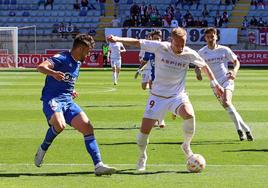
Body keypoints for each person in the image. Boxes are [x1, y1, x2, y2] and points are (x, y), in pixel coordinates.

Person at [107, 27, 224, 171]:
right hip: (157, 97)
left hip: (177, 96)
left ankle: (186, 145)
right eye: (177, 44)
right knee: (143, 135)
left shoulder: (189, 53)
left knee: (189, 115)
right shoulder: (160, 47)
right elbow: (137, 42)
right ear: (171, 41)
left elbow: (204, 66)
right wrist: (118, 39)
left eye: (183, 44)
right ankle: (142, 155)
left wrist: (215, 84)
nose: (180, 48)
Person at [34, 34, 116, 176]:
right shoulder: (62, 57)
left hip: (68, 101)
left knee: (87, 127)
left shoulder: (77, 62)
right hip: (53, 100)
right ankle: (42, 149)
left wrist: (72, 91)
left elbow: (67, 81)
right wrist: (53, 73)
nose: (89, 53)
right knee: (60, 125)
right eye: (88, 50)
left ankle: (98, 165)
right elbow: (40, 67)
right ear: (80, 48)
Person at [196, 27, 254, 141]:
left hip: (226, 80)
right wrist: (198, 73)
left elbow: (236, 62)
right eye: (208, 37)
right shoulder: (202, 52)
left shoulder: (224, 49)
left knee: (227, 102)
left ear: (216, 36)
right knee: (229, 107)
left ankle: (239, 130)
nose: (210, 38)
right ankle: (246, 129)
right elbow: (197, 66)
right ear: (205, 38)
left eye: (212, 36)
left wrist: (234, 72)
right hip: (214, 84)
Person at [134, 30, 166, 128]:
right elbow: (144, 60)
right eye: (155, 38)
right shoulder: (149, 50)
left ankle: (160, 120)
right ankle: (160, 120)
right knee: (156, 99)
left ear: (161, 39)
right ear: (151, 39)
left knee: (162, 99)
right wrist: (139, 70)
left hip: (165, 78)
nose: (157, 40)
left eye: (158, 38)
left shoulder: (166, 48)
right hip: (154, 78)